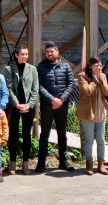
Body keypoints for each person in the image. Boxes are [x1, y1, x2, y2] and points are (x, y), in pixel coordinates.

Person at [36, 41, 77, 172]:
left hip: (62, 106)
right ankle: (41, 163)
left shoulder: (65, 67)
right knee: (44, 135)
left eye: (51, 51)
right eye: (47, 52)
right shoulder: (41, 67)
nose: (49, 54)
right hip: (47, 107)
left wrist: (61, 100)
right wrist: (52, 99)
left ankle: (63, 162)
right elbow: (39, 86)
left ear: (57, 52)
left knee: (62, 134)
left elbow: (70, 85)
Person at [0, 45, 39, 175]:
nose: (25, 56)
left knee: (27, 134)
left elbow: (35, 88)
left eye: (26, 54)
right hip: (14, 107)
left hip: (28, 107)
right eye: (22, 54)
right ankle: (12, 162)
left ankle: (25, 162)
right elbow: (8, 88)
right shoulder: (8, 69)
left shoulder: (32, 69)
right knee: (13, 134)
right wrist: (16, 104)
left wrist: (29, 104)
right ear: (16, 55)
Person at [75, 56, 108, 175]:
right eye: (97, 65)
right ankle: (89, 164)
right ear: (90, 66)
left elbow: (107, 92)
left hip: (101, 110)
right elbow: (88, 91)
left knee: (101, 139)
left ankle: (101, 163)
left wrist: (101, 79)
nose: (99, 68)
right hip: (88, 111)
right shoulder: (82, 76)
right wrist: (95, 79)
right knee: (89, 139)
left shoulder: (103, 76)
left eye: (101, 65)